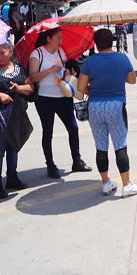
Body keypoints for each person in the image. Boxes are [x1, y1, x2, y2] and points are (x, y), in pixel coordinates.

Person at [77, 29, 137, 198]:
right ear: (112, 40)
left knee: (101, 147)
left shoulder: (90, 62)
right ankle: (126, 185)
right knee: (120, 145)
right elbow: (132, 80)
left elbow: (81, 88)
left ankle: (106, 183)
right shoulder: (122, 58)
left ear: (96, 44)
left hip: (95, 107)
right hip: (116, 105)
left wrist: (95, 88)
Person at [29, 27, 92, 179]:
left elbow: (63, 70)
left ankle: (76, 160)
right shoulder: (37, 54)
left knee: (73, 127)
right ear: (49, 39)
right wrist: (50, 70)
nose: (60, 41)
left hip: (63, 96)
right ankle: (50, 165)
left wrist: (66, 73)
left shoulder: (60, 52)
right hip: (44, 98)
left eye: (61, 38)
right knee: (48, 132)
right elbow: (33, 77)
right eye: (58, 38)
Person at [0, 39, 34, 198]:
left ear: (11, 52)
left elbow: (30, 87)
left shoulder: (19, 69)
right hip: (1, 116)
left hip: (17, 114)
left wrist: (20, 88)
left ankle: (12, 177)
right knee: (0, 150)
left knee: (13, 146)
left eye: (2, 52)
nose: (0, 56)